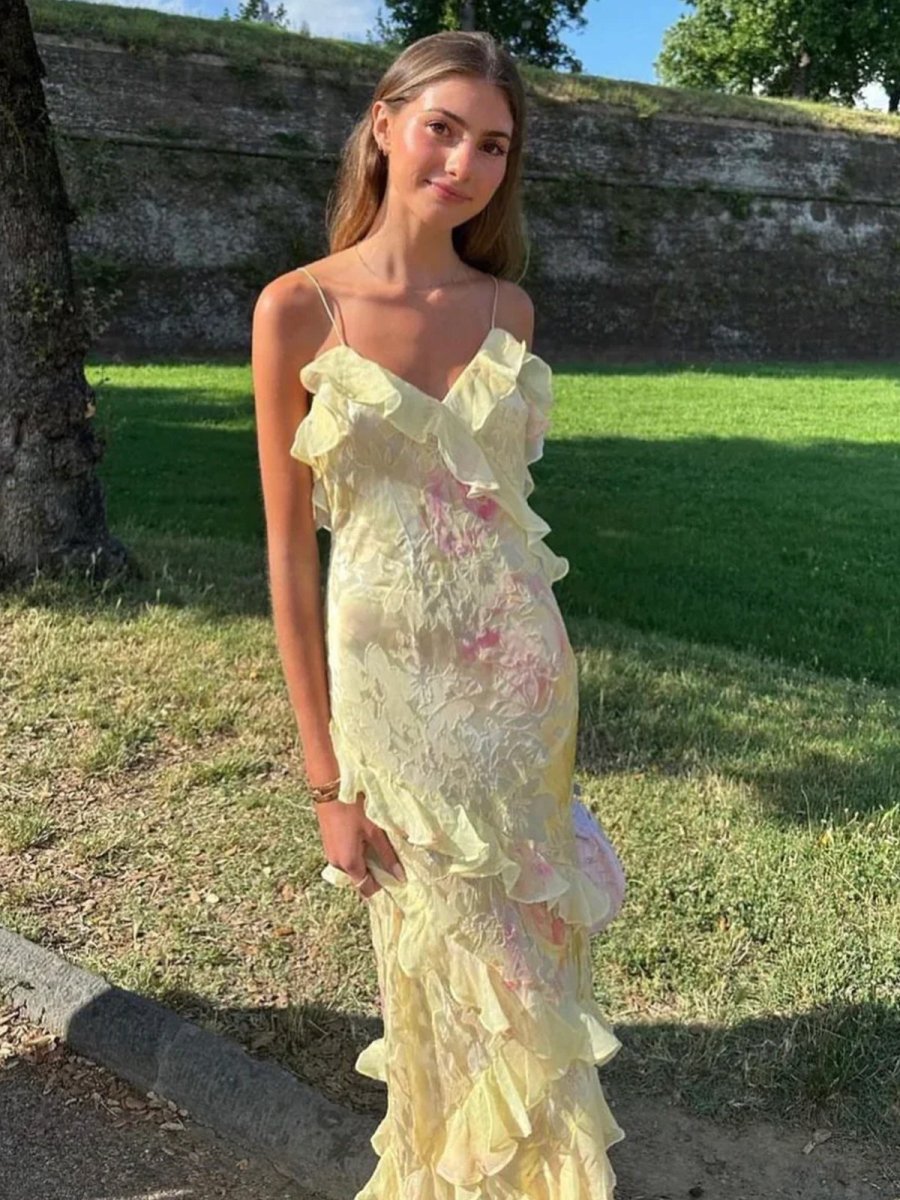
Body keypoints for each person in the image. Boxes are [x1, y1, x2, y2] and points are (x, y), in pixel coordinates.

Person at [252, 28, 626, 1199]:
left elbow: (502, 519)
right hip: (395, 707)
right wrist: (326, 782)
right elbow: (289, 557)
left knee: (530, 968)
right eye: (443, 129)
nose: (464, 162)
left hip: (520, 690)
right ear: (384, 125)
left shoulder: (510, 309)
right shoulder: (297, 309)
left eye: (494, 145)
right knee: (436, 968)